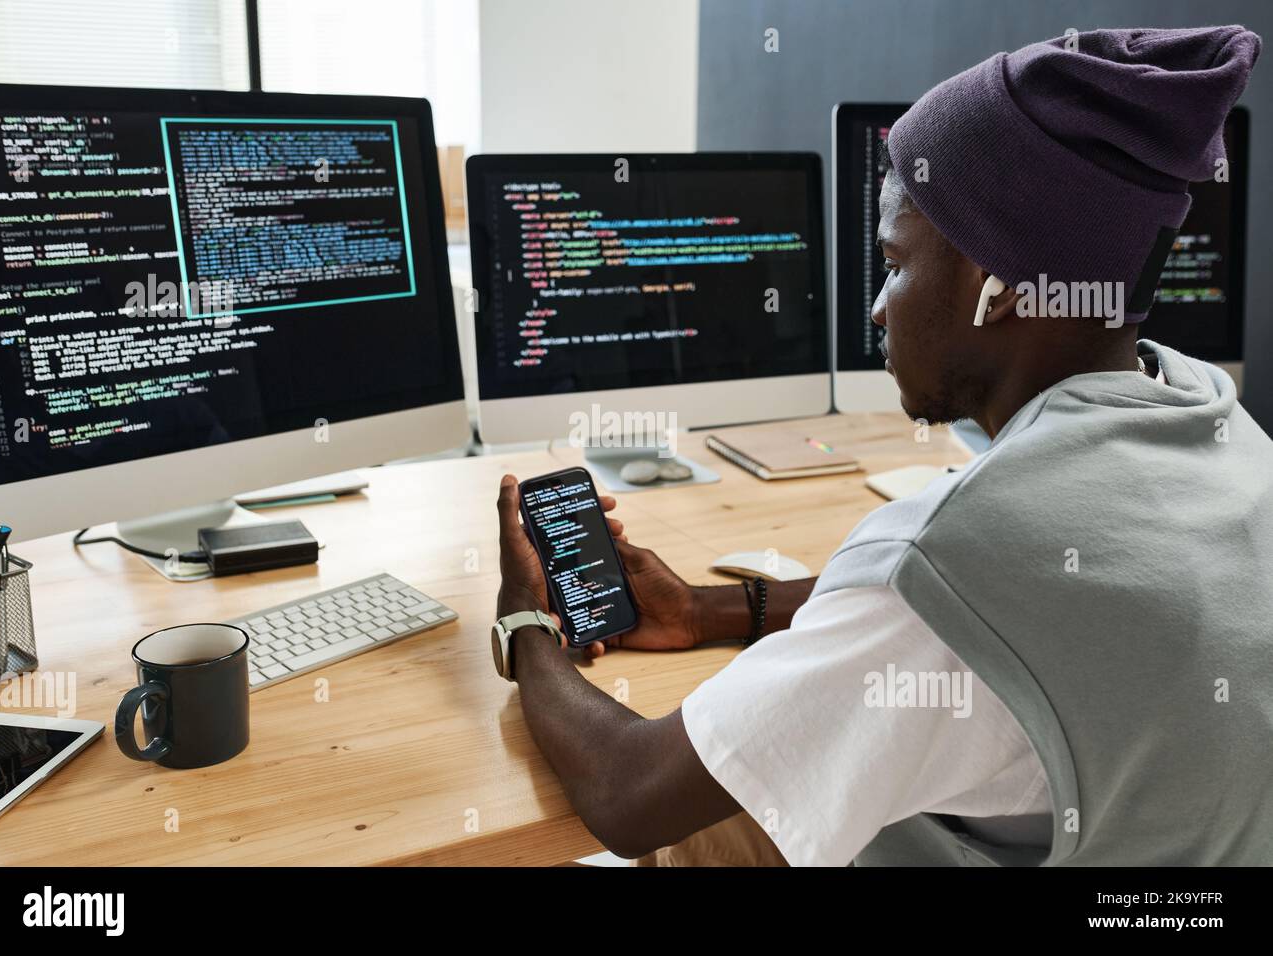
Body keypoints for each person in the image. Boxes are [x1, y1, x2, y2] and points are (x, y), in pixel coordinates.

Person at [492, 25, 1272, 866]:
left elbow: (629, 793)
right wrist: (710, 610)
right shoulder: (1215, 416)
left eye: (894, 263)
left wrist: (529, 624)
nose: (876, 308)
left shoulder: (950, 556)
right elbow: (1020, 603)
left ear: (997, 287)